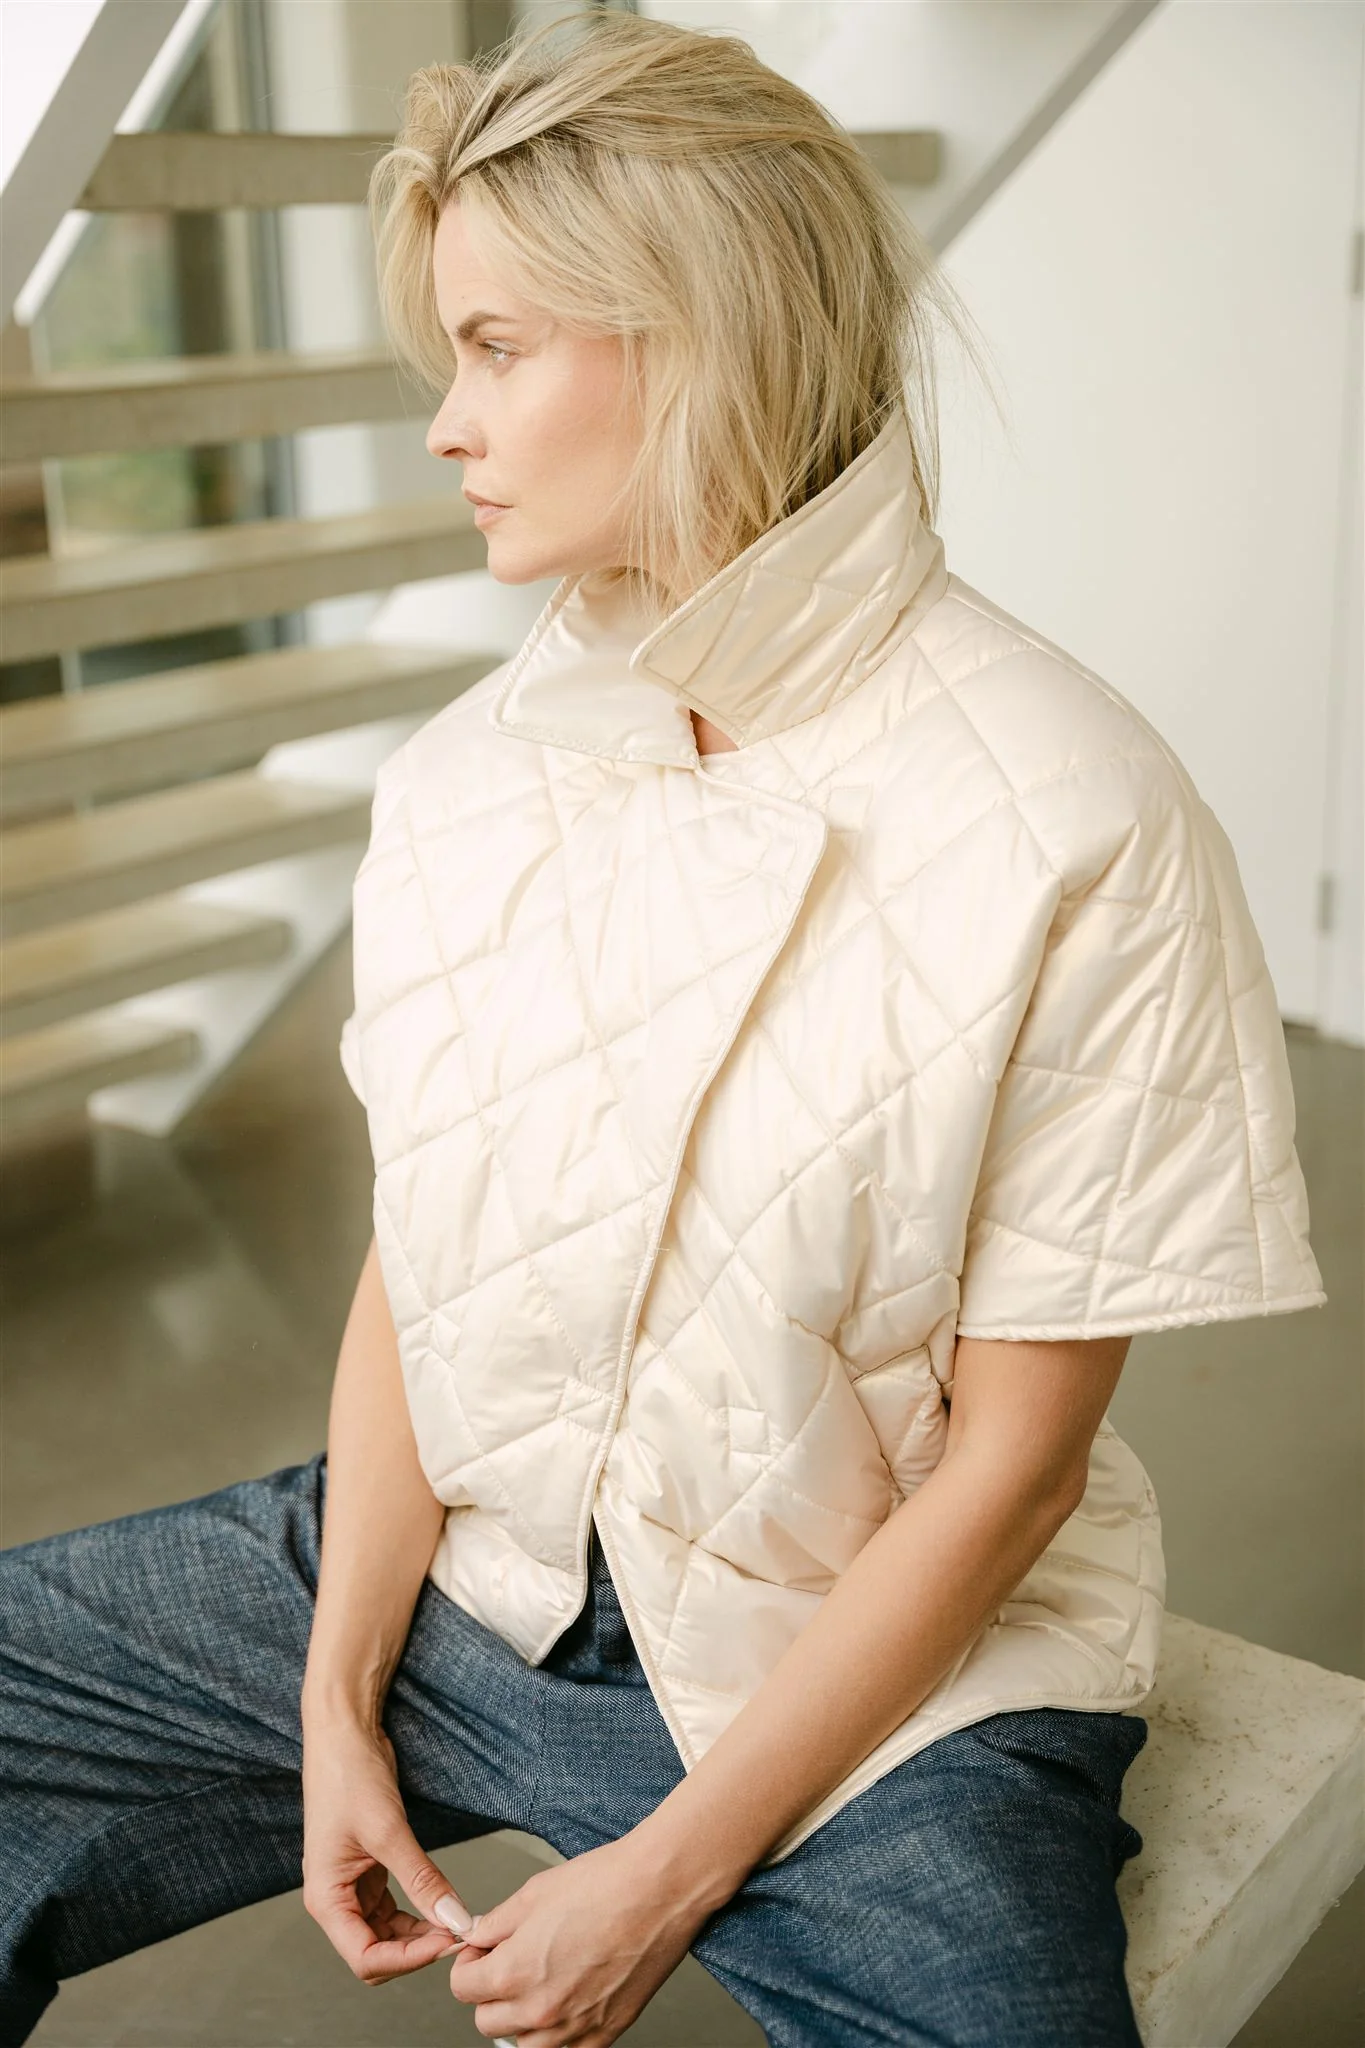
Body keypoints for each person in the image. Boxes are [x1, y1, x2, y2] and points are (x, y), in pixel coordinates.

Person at [0, 12, 1327, 2047]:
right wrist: (336, 1693)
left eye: (497, 348)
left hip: (880, 1684)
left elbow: (1016, 1472)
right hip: (479, 1564)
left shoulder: (1078, 810)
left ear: (703, 335)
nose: (445, 425)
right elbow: (422, 1261)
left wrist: (670, 1870)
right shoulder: (463, 779)